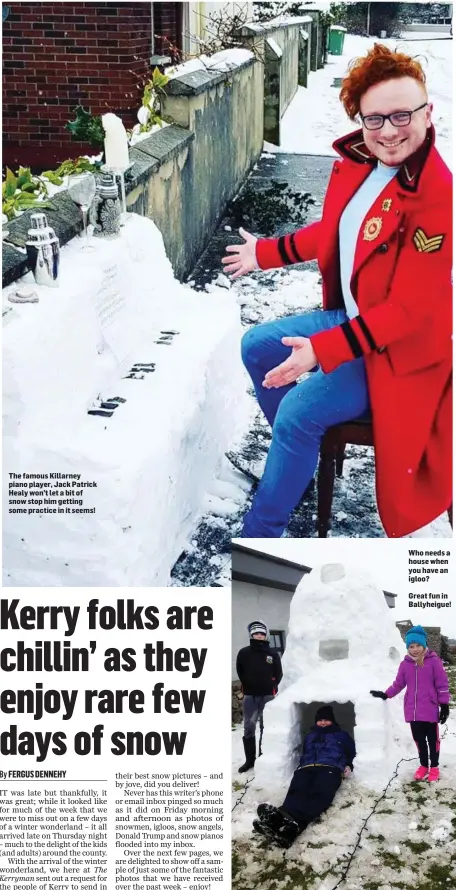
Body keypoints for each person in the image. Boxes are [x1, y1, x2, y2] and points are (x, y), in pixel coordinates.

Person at [222, 44, 452, 540]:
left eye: (402, 115)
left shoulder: (435, 195)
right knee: (256, 347)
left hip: (398, 352)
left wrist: (321, 353)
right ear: (361, 121)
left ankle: (261, 533)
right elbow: (334, 232)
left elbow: (408, 310)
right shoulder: (364, 163)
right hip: (354, 322)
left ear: (427, 112)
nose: (389, 131)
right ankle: (297, 464)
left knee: (300, 412)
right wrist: (265, 253)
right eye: (375, 119)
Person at [253, 705, 356, 848]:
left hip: (331, 767)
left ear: (332, 721)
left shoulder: (342, 735)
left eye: (326, 720)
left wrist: (349, 765)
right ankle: (278, 820)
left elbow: (352, 753)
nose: (323, 723)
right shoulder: (310, 736)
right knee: (297, 789)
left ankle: (288, 826)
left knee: (320, 793)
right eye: (320, 720)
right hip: (306, 767)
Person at [370, 625, 450, 782]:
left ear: (424, 645)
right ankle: (423, 766)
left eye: (418, 645)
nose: (415, 649)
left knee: (432, 741)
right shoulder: (405, 664)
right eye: (411, 646)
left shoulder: (434, 662)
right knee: (419, 741)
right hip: (412, 711)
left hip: (430, 708)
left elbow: (442, 684)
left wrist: (444, 706)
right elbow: (398, 684)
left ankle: (434, 767)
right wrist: (386, 694)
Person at [236, 620, 283, 773]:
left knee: (265, 727)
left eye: (262, 633)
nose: (259, 636)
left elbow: (278, 673)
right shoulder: (244, 653)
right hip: (250, 696)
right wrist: (248, 684)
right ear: (251, 635)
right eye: (256, 633)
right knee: (249, 728)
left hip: (268, 696)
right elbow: (240, 671)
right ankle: (250, 760)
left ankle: (263, 757)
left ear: (265, 635)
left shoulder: (272, 654)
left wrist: (272, 686)